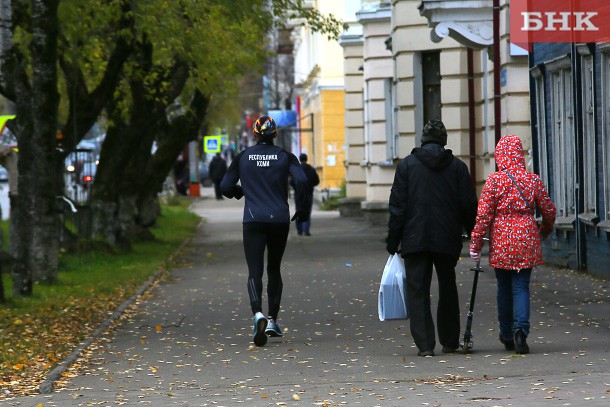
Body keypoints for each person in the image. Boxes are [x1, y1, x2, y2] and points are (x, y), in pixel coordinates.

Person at [385, 119, 478, 357]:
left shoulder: (406, 166)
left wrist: (393, 240)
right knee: (447, 287)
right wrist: (473, 232)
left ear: (423, 139)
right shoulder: (457, 168)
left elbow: (398, 206)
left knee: (418, 290)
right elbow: (468, 204)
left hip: (415, 238)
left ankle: (425, 345)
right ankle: (449, 341)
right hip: (447, 238)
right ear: (444, 140)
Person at [220, 115, 308, 347]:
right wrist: (301, 209)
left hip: (253, 220)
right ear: (275, 134)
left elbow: (224, 186)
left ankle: (257, 313)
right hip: (279, 219)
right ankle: (272, 320)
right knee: (274, 269)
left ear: (255, 134)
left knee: (254, 270)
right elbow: (302, 181)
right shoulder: (286, 157)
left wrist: (240, 192)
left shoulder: (243, 157)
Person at [469, 134, 556, 354]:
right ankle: (521, 333)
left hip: (502, 240)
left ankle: (506, 332)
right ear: (519, 155)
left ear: (500, 156)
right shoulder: (532, 180)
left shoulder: (494, 181)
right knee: (521, 286)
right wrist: (544, 230)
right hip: (526, 237)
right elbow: (549, 210)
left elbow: (483, 216)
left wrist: (476, 245)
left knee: (504, 289)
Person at [291, 153, 319, 236]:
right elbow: (317, 181)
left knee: (299, 210)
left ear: (299, 159)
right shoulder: (311, 169)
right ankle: (306, 230)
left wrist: (296, 188)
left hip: (298, 194)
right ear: (306, 159)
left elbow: (291, 182)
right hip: (308, 193)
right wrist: (310, 186)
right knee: (307, 211)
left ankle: (299, 230)